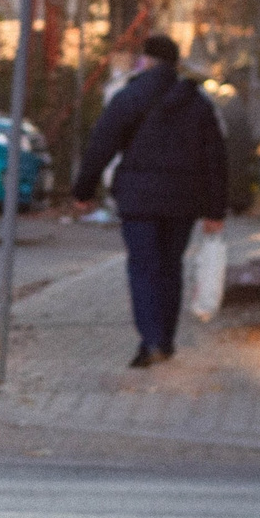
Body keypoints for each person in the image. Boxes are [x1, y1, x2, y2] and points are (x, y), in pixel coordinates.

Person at [69, 34, 232, 368]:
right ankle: (166, 340)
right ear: (175, 63)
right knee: (170, 268)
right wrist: (215, 210)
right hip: (182, 202)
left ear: (147, 60)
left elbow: (102, 144)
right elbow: (216, 159)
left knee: (144, 269)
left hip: (139, 200)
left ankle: (151, 341)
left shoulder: (130, 97)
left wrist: (83, 192)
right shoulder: (198, 103)